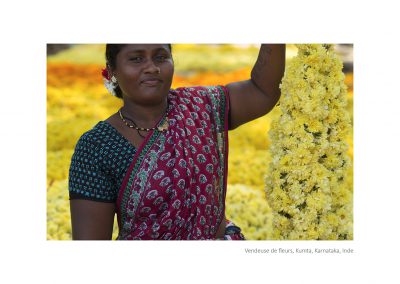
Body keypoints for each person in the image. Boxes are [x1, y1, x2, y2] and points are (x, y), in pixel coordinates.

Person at [69, 44, 285, 240]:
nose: (152, 67)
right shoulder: (97, 147)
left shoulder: (202, 106)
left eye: (161, 57)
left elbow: (262, 91)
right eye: (136, 59)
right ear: (112, 70)